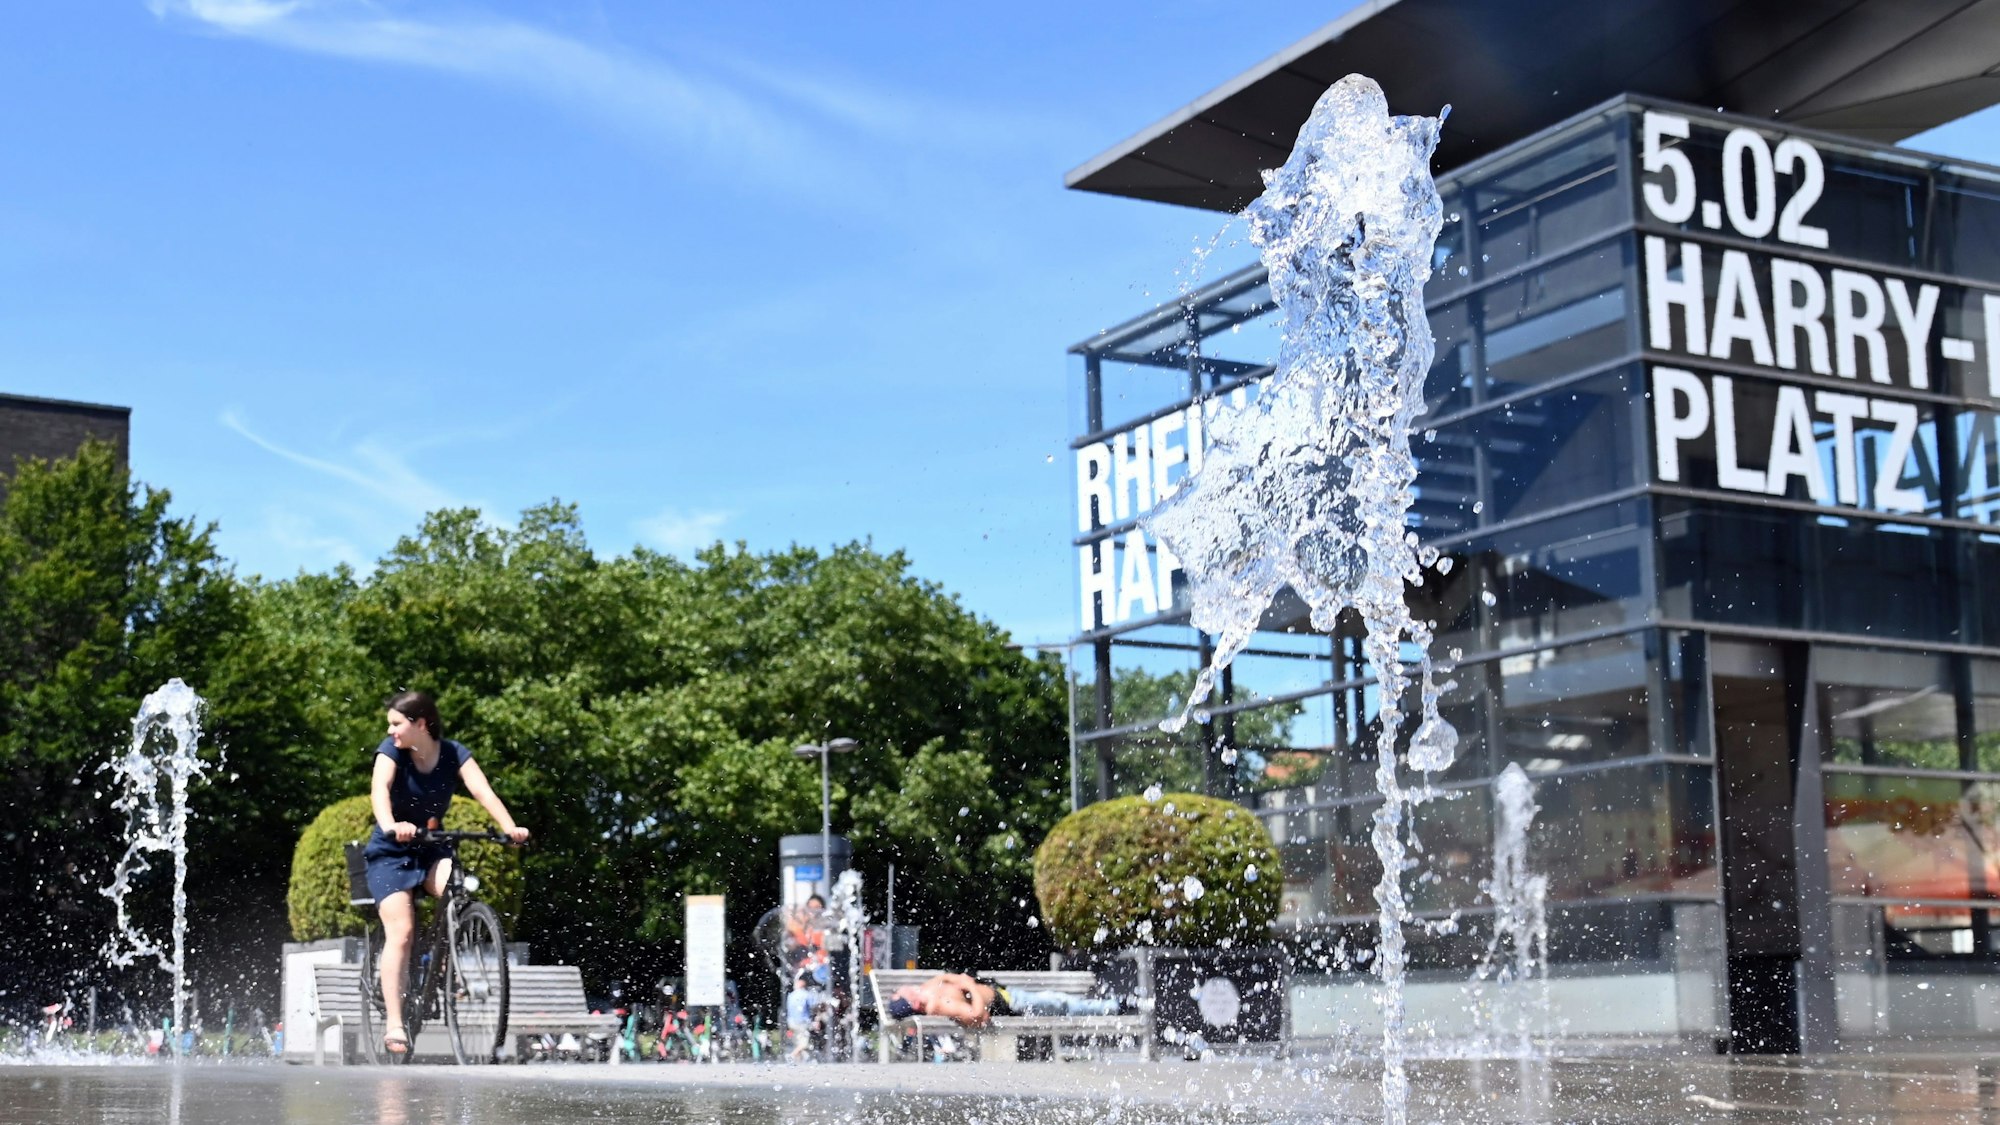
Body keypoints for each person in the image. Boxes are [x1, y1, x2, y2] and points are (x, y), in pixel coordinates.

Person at [363, 690, 530, 1056]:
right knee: (402, 932)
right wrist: (392, 824)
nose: (391, 731)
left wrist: (510, 827)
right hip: (391, 851)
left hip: (431, 846)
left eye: (396, 724)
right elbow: (380, 789)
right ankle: (395, 1022)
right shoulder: (391, 751)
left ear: (420, 724)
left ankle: (444, 965)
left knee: (458, 889)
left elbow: (482, 790)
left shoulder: (453, 753)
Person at [883, 972, 1137, 1028]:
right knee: (1059, 1002)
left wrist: (958, 979)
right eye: (899, 992)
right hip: (1008, 1003)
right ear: (912, 1002)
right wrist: (969, 983)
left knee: (1058, 1001)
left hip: (1004, 993)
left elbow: (947, 977)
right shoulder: (937, 1004)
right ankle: (1118, 1006)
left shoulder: (927, 989)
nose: (901, 988)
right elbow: (975, 1015)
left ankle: (1117, 1005)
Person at [784, 972, 822, 1061]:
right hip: (802, 1022)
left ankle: (799, 1062)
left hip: (791, 1023)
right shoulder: (806, 994)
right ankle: (792, 1056)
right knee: (804, 1043)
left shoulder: (791, 995)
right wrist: (816, 1020)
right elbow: (816, 1005)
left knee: (798, 1042)